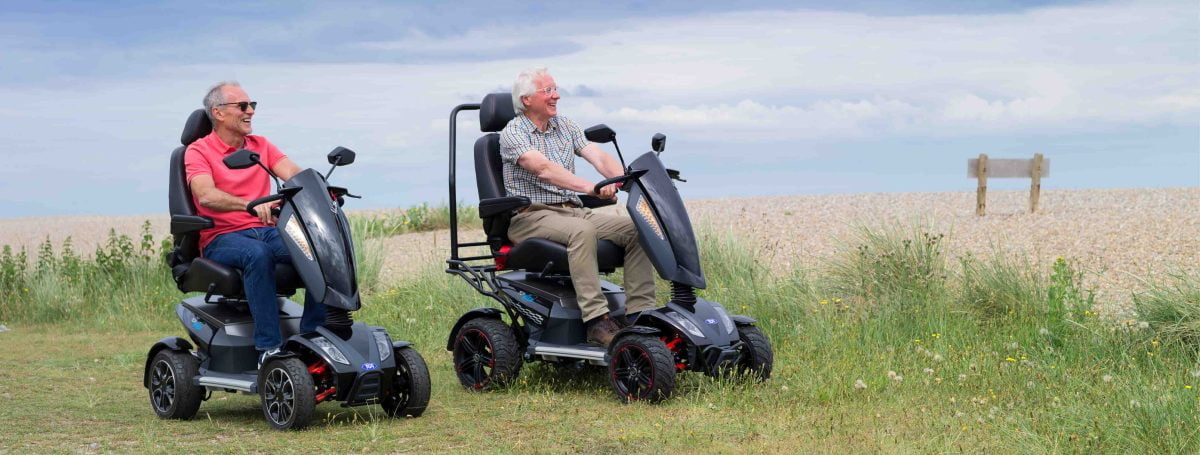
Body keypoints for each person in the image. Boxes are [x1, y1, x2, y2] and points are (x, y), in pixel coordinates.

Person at [499, 67, 658, 346]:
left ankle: (639, 315)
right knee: (581, 230)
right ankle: (597, 321)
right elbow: (544, 169)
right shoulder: (512, 133)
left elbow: (597, 155)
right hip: (531, 216)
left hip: (572, 211)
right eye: (547, 91)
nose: (556, 95)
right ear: (526, 100)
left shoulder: (566, 126)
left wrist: (622, 179)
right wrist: (590, 187)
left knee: (638, 227)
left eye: (555, 89)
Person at [184, 81, 325, 367]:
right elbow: (205, 194)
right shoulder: (198, 151)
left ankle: (312, 338)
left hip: (267, 231)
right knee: (256, 255)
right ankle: (268, 349)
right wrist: (249, 204)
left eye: (252, 105)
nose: (251, 112)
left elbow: (293, 174)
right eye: (243, 106)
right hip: (222, 237)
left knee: (318, 249)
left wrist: (321, 187)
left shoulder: (260, 145)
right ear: (219, 113)